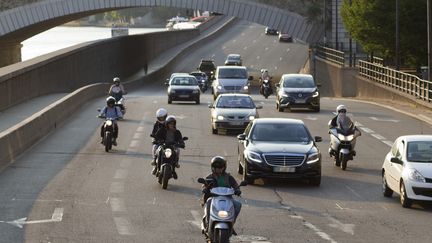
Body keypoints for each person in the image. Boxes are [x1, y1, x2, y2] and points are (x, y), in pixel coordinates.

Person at [201, 156, 241, 235]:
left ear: (224, 168)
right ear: (212, 168)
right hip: (213, 198)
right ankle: (207, 224)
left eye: (220, 168)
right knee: (208, 204)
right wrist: (205, 189)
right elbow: (204, 186)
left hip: (227, 198)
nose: (218, 169)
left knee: (237, 205)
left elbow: (235, 185)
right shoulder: (209, 177)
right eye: (216, 167)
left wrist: (237, 190)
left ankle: (231, 224)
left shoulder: (229, 177)